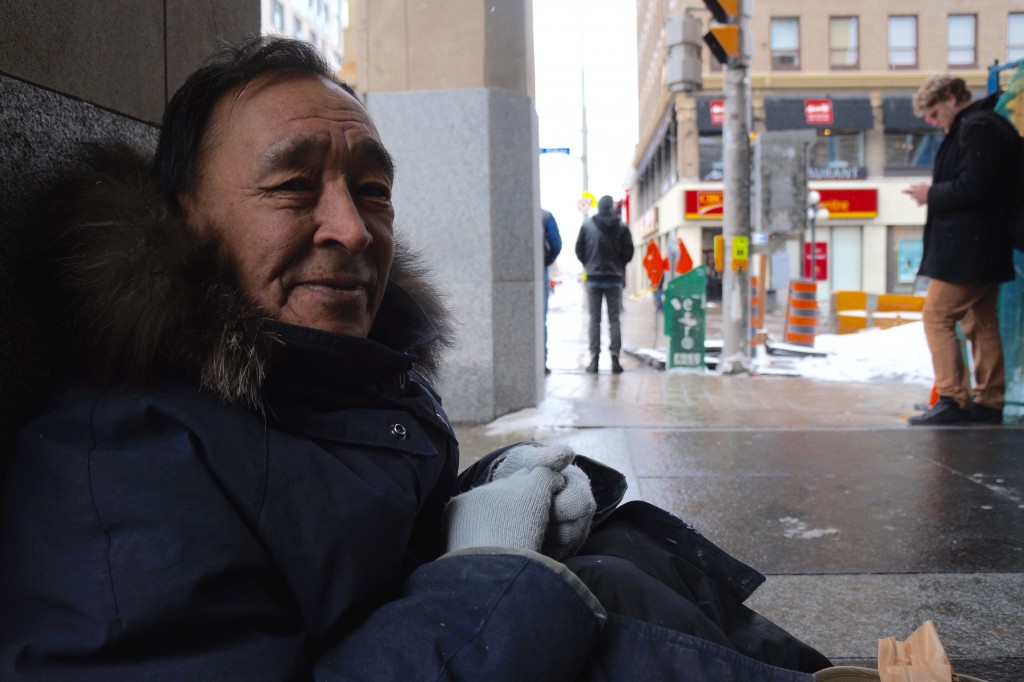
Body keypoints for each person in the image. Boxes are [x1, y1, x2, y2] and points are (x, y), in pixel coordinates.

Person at [0, 37, 830, 680]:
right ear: (183, 222)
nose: (354, 229)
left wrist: (496, 502)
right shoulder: (120, 470)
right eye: (293, 186)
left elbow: (359, 570)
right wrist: (490, 571)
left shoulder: (348, 382)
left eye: (372, 189)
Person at [903, 75, 1021, 426]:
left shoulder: (978, 128)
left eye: (934, 111)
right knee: (981, 322)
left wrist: (931, 194)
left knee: (936, 316)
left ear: (953, 98)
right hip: (985, 245)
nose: (931, 120)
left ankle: (954, 398)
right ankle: (989, 401)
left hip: (969, 248)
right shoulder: (984, 125)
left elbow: (974, 187)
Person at [575, 195, 635, 374]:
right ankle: (615, 358)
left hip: (593, 278)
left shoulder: (587, 226)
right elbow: (629, 252)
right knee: (614, 320)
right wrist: (618, 265)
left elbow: (579, 250)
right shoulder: (622, 227)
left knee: (595, 320)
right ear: (611, 208)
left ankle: (594, 360)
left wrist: (589, 264)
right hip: (614, 278)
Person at [542, 208, 562, 374]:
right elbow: (556, 245)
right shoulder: (545, 216)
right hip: (539, 274)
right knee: (540, 320)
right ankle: (541, 360)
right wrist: (543, 262)